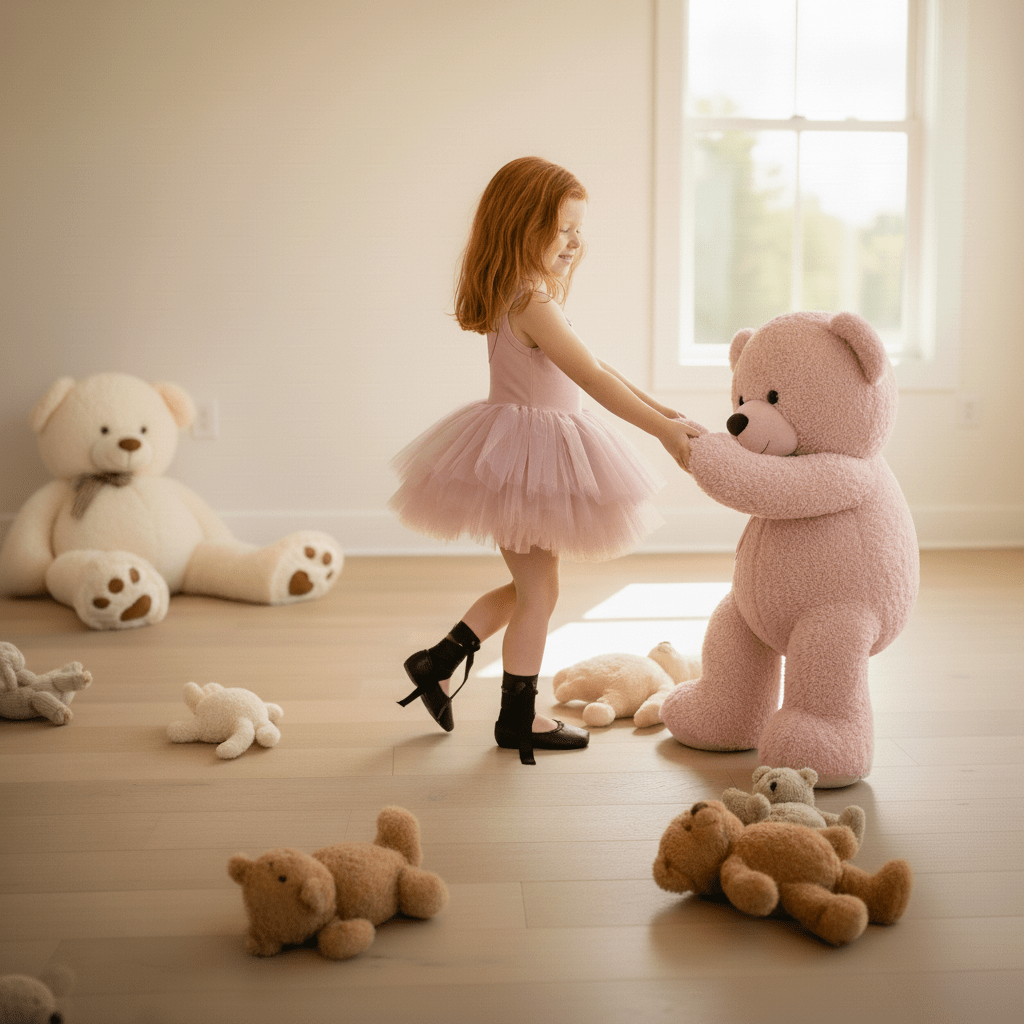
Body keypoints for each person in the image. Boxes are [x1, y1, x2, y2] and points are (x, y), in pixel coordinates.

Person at [389, 156, 698, 765]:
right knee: (540, 593)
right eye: (562, 228)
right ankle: (517, 719)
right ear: (520, 227)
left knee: (529, 585)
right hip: (528, 458)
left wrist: (668, 415)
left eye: (579, 228)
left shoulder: (522, 294)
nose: (575, 241)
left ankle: (438, 662)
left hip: (517, 454)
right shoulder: (531, 300)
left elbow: (597, 369)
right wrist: (664, 432)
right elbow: (591, 377)